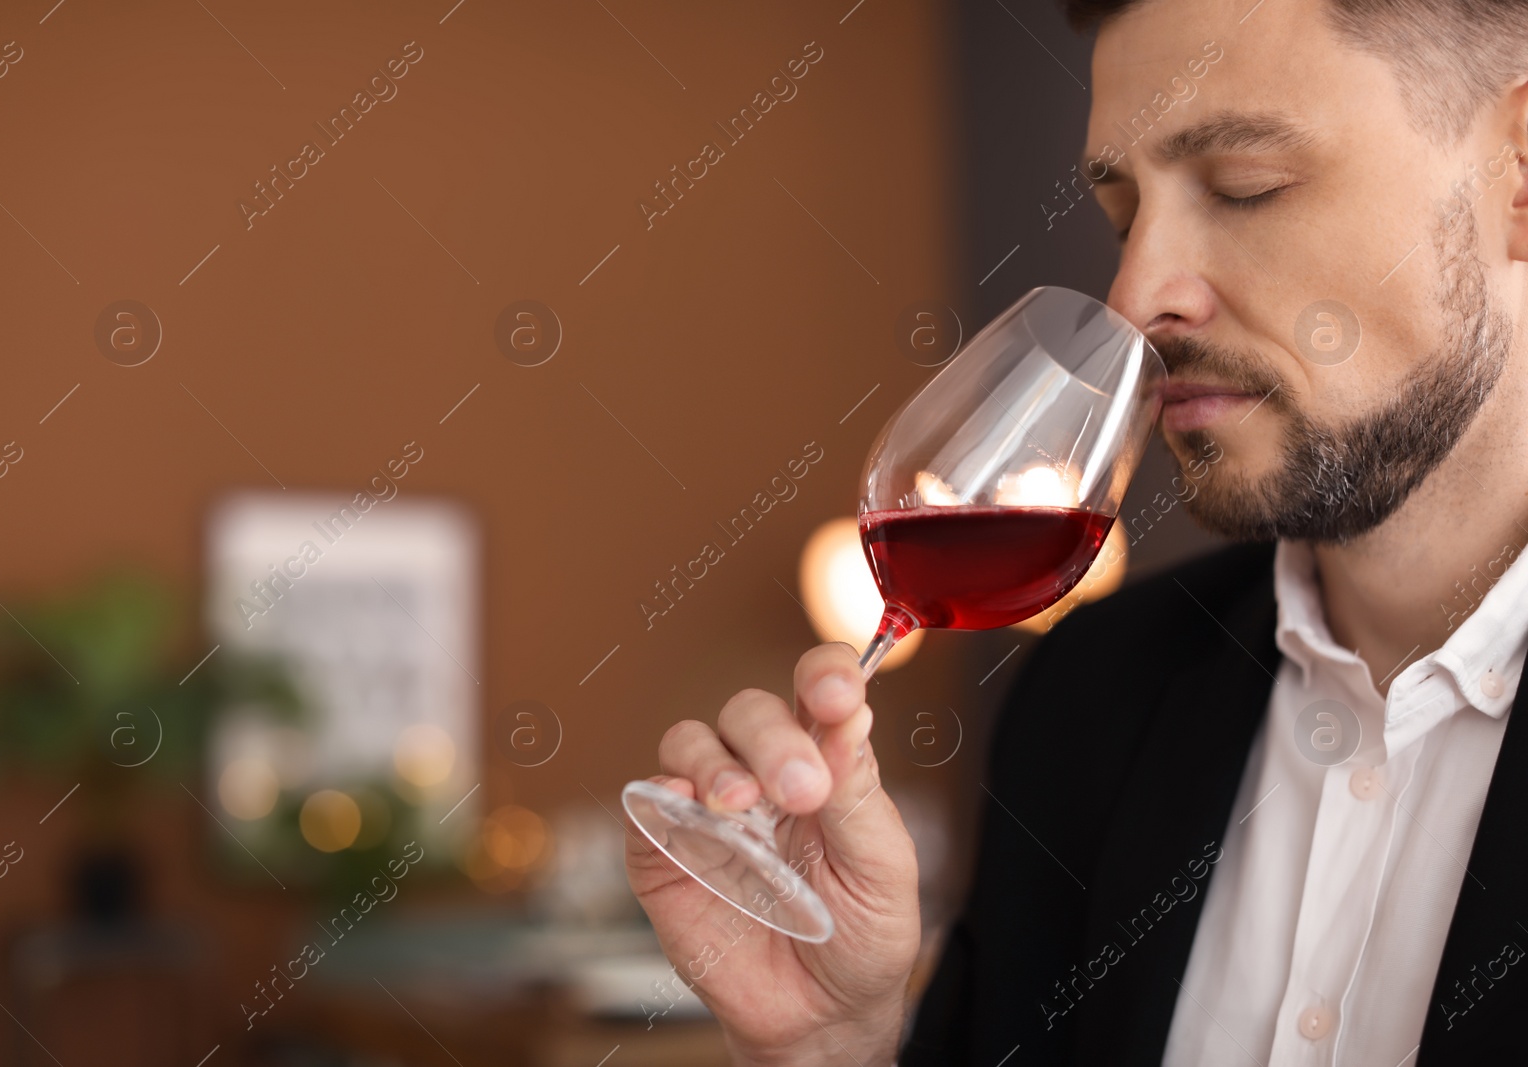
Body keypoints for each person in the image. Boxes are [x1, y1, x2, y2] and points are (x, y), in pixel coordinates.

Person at [625, 0, 1528, 1061]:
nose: (1136, 294)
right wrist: (834, 1045)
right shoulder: (1086, 700)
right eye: (1121, 217)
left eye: (1244, 187)